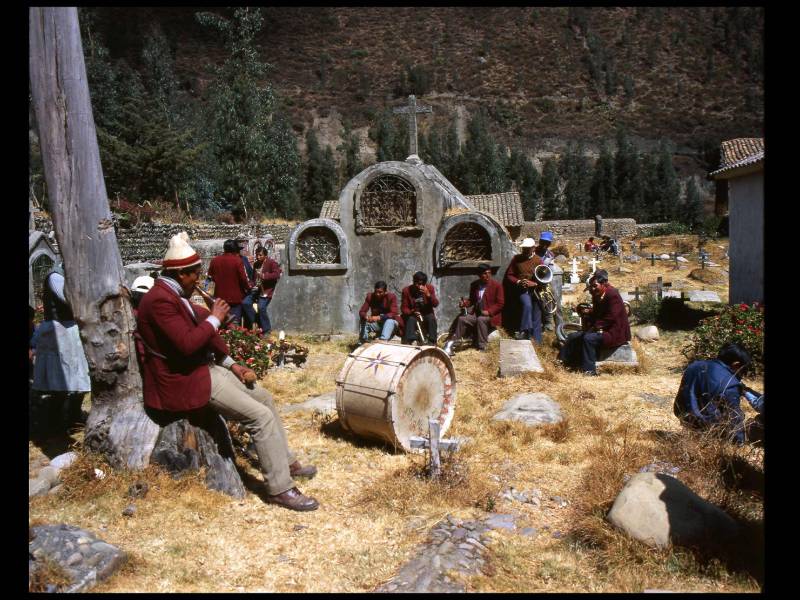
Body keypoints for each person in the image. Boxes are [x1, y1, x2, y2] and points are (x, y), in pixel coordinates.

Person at [136, 232, 318, 511]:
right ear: (180, 274)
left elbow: (203, 333)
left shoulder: (176, 295)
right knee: (260, 417)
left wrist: (233, 364)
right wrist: (214, 318)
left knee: (265, 398)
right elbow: (186, 345)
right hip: (185, 379)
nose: (198, 280)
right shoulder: (160, 301)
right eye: (195, 275)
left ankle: (285, 462)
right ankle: (280, 488)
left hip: (202, 368)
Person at [30, 265, 92, 434]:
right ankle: (56, 422)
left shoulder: (63, 277)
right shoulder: (55, 277)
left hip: (69, 330)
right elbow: (69, 299)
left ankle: (72, 417)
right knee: (59, 382)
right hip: (59, 332)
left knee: (78, 379)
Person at [673, 342, 764, 445]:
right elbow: (734, 419)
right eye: (743, 370)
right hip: (710, 429)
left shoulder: (694, 366)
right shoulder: (730, 384)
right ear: (736, 365)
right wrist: (741, 440)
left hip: (685, 418)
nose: (742, 375)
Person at [557, 269, 630, 375]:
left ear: (604, 284)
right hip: (604, 328)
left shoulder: (612, 294)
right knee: (573, 336)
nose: (592, 289)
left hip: (615, 332)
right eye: (591, 286)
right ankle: (563, 362)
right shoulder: (598, 294)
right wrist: (588, 311)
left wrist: (594, 327)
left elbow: (611, 317)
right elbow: (598, 312)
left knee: (588, 338)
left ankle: (589, 370)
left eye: (595, 286)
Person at [443, 263, 504, 356]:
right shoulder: (475, 285)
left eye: (489, 273)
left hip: (491, 316)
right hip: (477, 313)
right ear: (479, 275)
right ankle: (451, 344)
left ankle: (482, 346)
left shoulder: (497, 286)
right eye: (484, 274)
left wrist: (489, 312)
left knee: (481, 319)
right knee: (462, 319)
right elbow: (472, 300)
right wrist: (465, 303)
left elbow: (500, 303)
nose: (487, 276)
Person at [503, 237, 545, 342]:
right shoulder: (516, 259)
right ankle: (524, 331)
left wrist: (534, 283)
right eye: (524, 248)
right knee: (527, 305)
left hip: (536, 289)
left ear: (533, 248)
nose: (525, 250)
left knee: (537, 312)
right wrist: (519, 282)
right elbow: (509, 275)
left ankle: (537, 339)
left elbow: (544, 276)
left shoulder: (538, 260)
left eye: (527, 248)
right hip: (522, 290)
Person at [208, 239, 251, 327]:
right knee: (234, 325)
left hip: (220, 298)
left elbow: (210, 276)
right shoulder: (237, 261)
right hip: (235, 299)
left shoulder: (215, 260)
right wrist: (248, 289)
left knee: (220, 324)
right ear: (235, 249)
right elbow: (243, 279)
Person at [401, 271, 439, 345]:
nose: (419, 286)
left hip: (426, 313)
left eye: (422, 284)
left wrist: (428, 294)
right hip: (413, 314)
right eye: (417, 284)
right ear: (414, 282)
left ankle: (432, 341)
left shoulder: (430, 288)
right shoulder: (406, 291)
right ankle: (412, 340)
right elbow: (404, 308)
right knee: (411, 319)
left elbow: (435, 304)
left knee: (431, 318)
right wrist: (412, 312)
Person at [253, 243, 282, 337]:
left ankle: (266, 329)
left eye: (260, 255)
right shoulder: (256, 264)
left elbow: (276, 274)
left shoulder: (271, 263)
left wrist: (264, 276)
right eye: (257, 255)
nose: (258, 257)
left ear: (265, 255)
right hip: (256, 289)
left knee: (261, 307)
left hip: (267, 290)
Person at [237, 238, 258, 332]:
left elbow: (251, 273)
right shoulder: (235, 261)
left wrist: (251, 283)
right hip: (238, 290)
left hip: (247, 289)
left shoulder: (244, 259)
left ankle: (255, 321)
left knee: (246, 303)